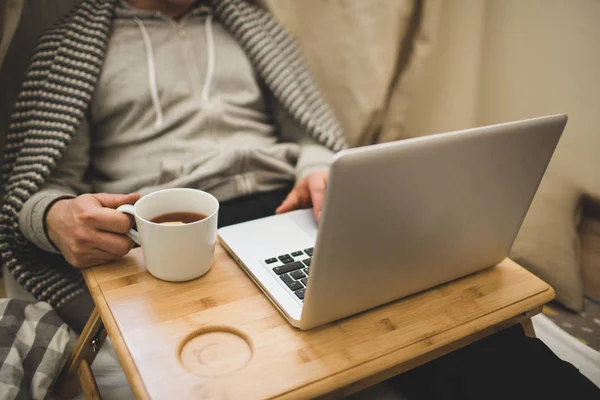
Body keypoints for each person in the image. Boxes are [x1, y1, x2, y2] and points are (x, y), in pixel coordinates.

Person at [1, 1, 599, 399]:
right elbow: (42, 185)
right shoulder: (70, 46)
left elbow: (312, 137)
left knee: (450, 326)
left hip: (284, 208)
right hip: (177, 230)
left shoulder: (249, 25)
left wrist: (319, 170)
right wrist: (52, 218)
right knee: (277, 367)